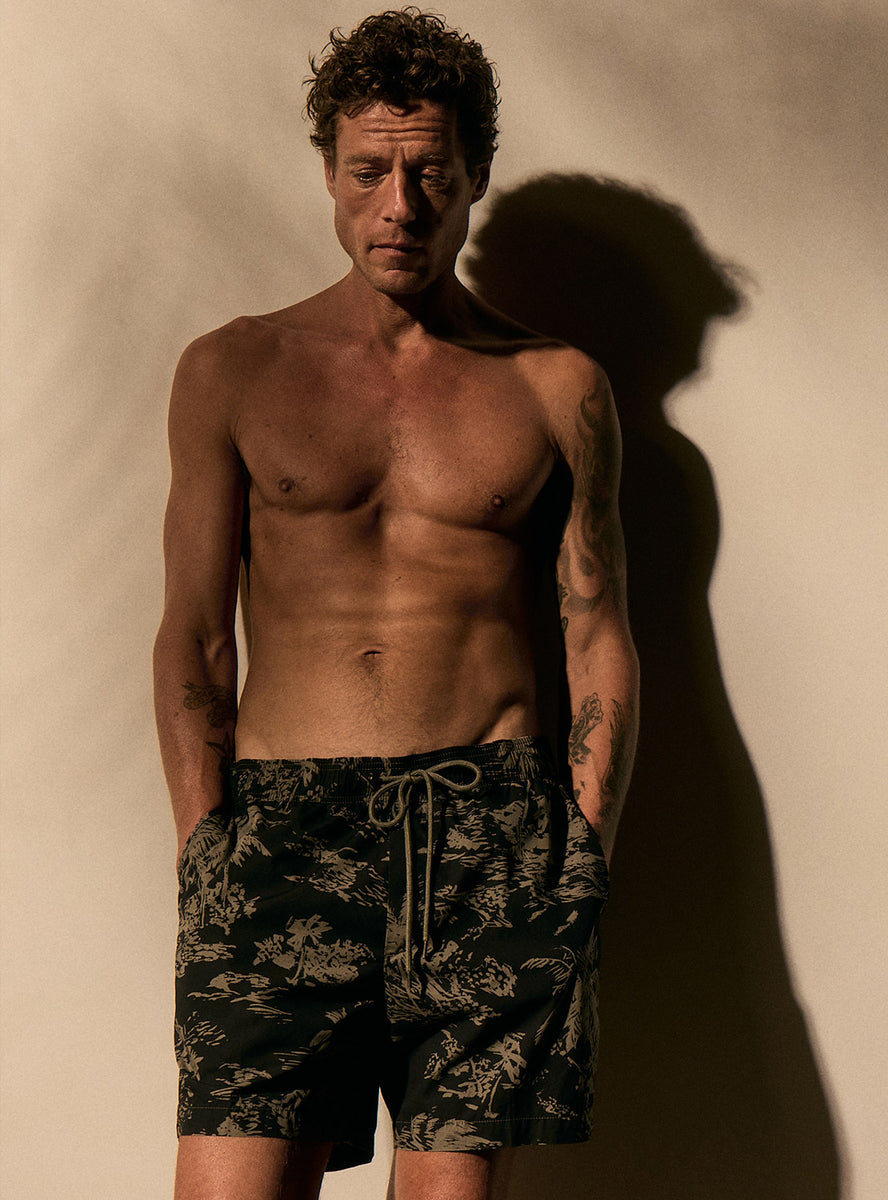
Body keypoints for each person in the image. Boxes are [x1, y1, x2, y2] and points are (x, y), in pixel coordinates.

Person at [152, 9, 638, 1198]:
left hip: (489, 834)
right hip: (280, 835)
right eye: (370, 170)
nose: (401, 206)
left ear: (476, 175)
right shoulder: (233, 368)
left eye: (432, 173)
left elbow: (597, 630)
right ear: (329, 169)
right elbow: (195, 636)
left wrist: (581, 857)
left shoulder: (557, 386)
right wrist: (208, 851)